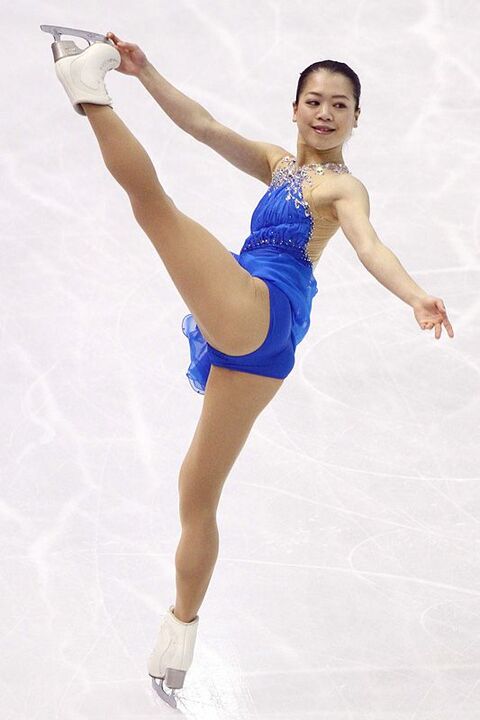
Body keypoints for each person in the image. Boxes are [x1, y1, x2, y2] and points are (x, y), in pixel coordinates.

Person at [42, 25, 455, 704]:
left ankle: (88, 93)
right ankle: (181, 629)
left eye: (340, 105)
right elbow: (202, 125)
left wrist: (414, 294)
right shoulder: (278, 165)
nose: (325, 113)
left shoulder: (342, 187)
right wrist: (146, 72)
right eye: (314, 100)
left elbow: (369, 246)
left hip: (263, 305)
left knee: (155, 210)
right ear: (294, 108)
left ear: (356, 118)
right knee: (196, 491)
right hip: (259, 341)